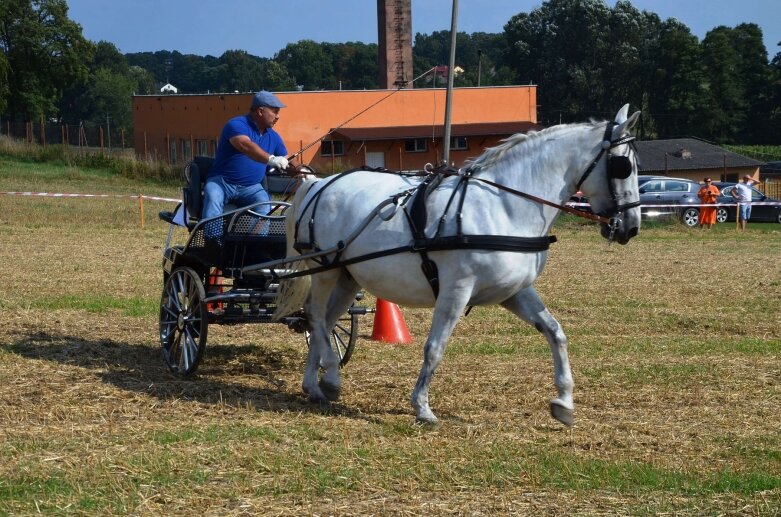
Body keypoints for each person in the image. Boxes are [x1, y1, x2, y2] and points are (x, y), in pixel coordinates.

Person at [201, 91, 294, 232]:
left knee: (264, 203)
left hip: (251, 187)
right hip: (222, 182)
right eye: (275, 112)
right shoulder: (236, 124)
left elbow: (289, 160)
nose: (278, 116)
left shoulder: (274, 137)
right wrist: (272, 159)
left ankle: (256, 242)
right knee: (213, 197)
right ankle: (213, 242)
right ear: (260, 111)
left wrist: (304, 171)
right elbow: (245, 145)